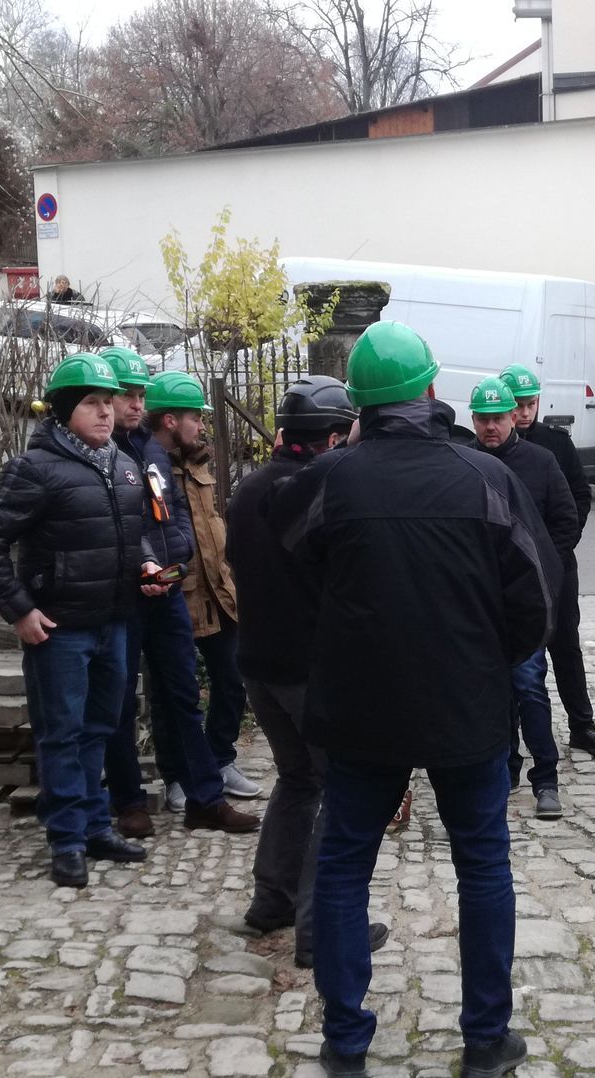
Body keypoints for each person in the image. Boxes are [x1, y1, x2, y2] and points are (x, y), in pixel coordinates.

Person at [269, 321, 550, 1078]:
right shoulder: (487, 478)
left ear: (358, 406)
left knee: (344, 866)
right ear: (431, 390)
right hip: (468, 706)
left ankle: (345, 1041)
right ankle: (486, 1039)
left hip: (362, 708)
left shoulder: (334, 479)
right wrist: (489, 665)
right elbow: (535, 601)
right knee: (483, 865)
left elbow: (292, 555)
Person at [0, 353, 150, 888]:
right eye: (91, 403)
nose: (106, 413)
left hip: (114, 622)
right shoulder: (36, 468)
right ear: (65, 410)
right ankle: (66, 839)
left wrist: (146, 567)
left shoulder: (124, 465)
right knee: (62, 735)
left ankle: (95, 827)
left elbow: (121, 538)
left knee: (99, 730)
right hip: (61, 631)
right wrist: (19, 610)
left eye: (107, 402)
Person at [224, 375, 387, 969]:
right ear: (335, 435)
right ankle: (322, 929)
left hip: (258, 664)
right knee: (336, 793)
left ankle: (273, 899)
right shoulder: (322, 491)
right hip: (307, 670)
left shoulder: (247, 489)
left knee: (297, 780)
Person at [100, 346, 260, 837]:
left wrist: (180, 552)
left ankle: (204, 797)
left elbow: (169, 515)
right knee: (120, 700)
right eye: (122, 395)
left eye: (137, 394)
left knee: (185, 694)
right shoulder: (98, 453)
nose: (131, 404)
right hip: (123, 595)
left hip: (167, 586)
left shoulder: (148, 449)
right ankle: (129, 801)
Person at [148, 371, 262, 800]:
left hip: (218, 591)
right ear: (171, 420)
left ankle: (220, 758)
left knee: (233, 679)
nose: (202, 425)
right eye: (196, 417)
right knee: (173, 692)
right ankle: (177, 774)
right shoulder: (149, 467)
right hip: (179, 594)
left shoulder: (199, 462)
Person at [469, 376, 576, 819]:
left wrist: (540, 575)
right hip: (481, 603)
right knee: (493, 694)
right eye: (483, 419)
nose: (491, 427)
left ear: (515, 415)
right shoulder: (466, 463)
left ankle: (545, 778)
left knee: (530, 687)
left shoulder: (541, 460)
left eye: (498, 418)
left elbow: (566, 521)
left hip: (524, 601)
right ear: (473, 421)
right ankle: (504, 770)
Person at [501, 362, 595, 758]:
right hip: (510, 572)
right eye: (517, 405)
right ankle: (510, 738)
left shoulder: (556, 444)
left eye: (530, 403)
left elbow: (579, 499)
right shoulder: (491, 449)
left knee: (566, 645)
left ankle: (582, 725)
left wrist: (553, 552)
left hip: (556, 566)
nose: (524, 412)